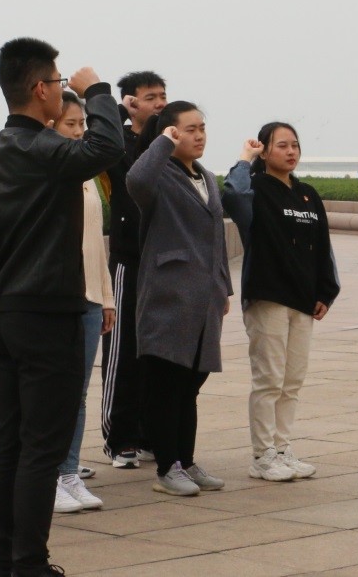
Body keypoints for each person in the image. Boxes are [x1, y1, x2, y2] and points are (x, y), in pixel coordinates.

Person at [0, 37, 124, 577]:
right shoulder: (39, 147)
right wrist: (98, 90)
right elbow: (106, 148)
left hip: (7, 311)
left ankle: (3, 561)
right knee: (41, 446)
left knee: (8, 440)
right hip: (46, 314)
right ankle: (30, 564)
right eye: (59, 83)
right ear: (40, 89)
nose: (64, 90)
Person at [222, 121, 339, 483]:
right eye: (282, 145)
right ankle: (263, 455)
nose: (291, 152)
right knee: (269, 379)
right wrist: (245, 158)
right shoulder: (255, 189)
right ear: (265, 150)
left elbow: (322, 245)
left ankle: (283, 448)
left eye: (295, 145)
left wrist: (326, 292)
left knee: (292, 380)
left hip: (303, 300)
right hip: (268, 295)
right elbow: (233, 197)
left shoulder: (307, 194)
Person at [127, 102, 232, 498]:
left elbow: (217, 236)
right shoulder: (159, 174)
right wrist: (163, 144)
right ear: (170, 133)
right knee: (166, 385)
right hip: (168, 295)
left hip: (204, 299)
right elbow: (136, 181)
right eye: (189, 129)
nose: (199, 135)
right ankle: (166, 467)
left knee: (190, 386)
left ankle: (185, 461)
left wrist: (223, 286)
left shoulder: (206, 177)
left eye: (202, 127)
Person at [99, 71, 167, 469]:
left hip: (163, 261)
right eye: (151, 97)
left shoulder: (169, 145)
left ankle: (149, 433)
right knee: (123, 350)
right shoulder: (117, 144)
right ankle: (119, 437)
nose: (160, 103)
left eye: (163, 96)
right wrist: (114, 108)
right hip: (129, 260)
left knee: (157, 354)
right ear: (131, 102)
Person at [52, 91, 115, 513]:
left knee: (78, 393)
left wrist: (107, 298)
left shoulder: (88, 174)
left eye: (82, 125)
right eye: (70, 124)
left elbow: (96, 240)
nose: (78, 132)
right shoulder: (49, 169)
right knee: (55, 392)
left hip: (92, 296)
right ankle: (50, 476)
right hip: (60, 297)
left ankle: (69, 472)